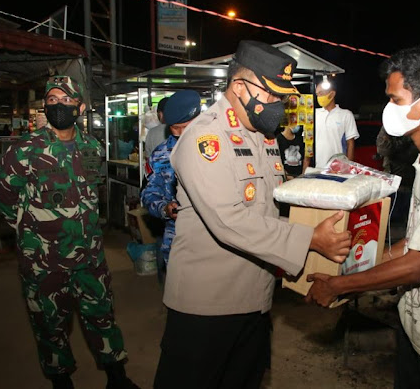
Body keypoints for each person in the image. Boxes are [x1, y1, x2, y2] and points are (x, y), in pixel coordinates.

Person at [153, 40, 352, 388]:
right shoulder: (205, 137)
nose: (279, 106)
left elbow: (269, 207)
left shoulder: (263, 136)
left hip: (254, 298)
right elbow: (229, 220)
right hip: (207, 306)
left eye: (282, 97)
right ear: (240, 87)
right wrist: (310, 239)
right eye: (272, 96)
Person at [306, 47, 420, 389]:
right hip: (419, 322)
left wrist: (338, 285)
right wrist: (358, 266)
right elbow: (417, 241)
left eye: (396, 98)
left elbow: (418, 263)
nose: (389, 108)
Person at [0, 76, 139, 389]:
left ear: (80, 107)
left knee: (101, 315)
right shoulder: (24, 151)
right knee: (49, 323)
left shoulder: (92, 146)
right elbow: (5, 200)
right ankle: (61, 381)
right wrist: (33, 233)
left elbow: (91, 191)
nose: (58, 105)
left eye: (66, 100)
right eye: (52, 100)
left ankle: (117, 378)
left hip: (89, 255)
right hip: (43, 261)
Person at [140, 89, 202, 285]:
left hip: (212, 237)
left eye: (187, 126)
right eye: (176, 128)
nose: (182, 133)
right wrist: (163, 208)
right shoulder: (161, 154)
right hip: (177, 236)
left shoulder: (217, 148)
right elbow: (149, 193)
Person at [304, 78, 359, 168]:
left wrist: (349, 168)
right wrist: (305, 170)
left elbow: (350, 143)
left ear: (332, 94)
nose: (319, 97)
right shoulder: (313, 114)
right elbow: (308, 144)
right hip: (317, 168)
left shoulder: (346, 115)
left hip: (338, 169)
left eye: (321, 94)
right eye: (317, 94)